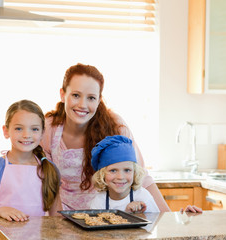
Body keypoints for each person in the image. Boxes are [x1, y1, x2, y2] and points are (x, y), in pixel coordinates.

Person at [40, 62, 175, 211]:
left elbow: (140, 175)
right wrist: (59, 223)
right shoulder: (49, 128)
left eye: (91, 98)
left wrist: (168, 219)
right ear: (63, 95)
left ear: (99, 100)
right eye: (76, 95)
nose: (83, 105)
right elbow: (47, 181)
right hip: (63, 211)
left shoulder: (114, 125)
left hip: (107, 212)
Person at [0, 100, 62, 240]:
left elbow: (57, 222)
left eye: (34, 129)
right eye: (18, 128)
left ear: (42, 133)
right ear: (6, 131)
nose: (26, 135)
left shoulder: (49, 170)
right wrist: (0, 212)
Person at [90, 135, 160, 213]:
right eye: (113, 170)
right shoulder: (99, 201)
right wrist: (126, 213)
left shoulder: (143, 196)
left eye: (127, 170)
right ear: (102, 175)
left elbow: (155, 222)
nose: (120, 177)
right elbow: (95, 223)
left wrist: (139, 215)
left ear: (135, 172)